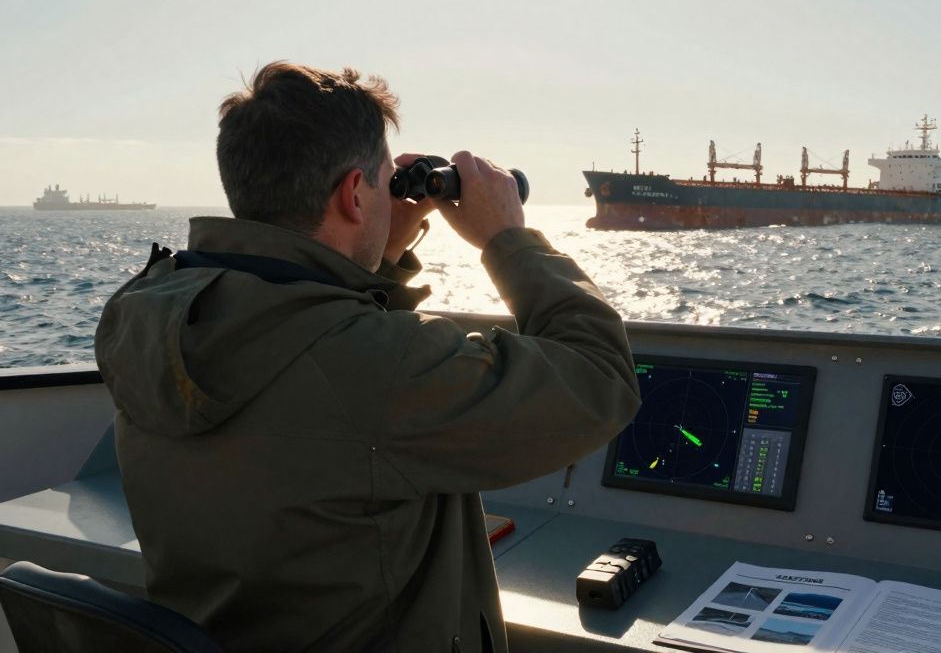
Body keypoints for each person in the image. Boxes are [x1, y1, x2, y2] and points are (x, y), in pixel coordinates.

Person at [94, 62, 641, 652]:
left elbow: (309, 333)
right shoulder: (381, 366)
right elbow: (601, 380)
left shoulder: (149, 317)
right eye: (381, 182)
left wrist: (380, 247)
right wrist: (509, 239)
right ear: (354, 194)